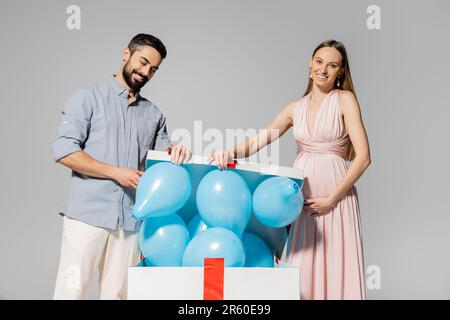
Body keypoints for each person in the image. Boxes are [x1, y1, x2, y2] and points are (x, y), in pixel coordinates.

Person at [208, 39, 371, 300]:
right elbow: (258, 141)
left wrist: (332, 198)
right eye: (319, 62)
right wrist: (230, 152)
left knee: (337, 260)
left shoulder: (345, 100)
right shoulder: (295, 108)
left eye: (332, 65)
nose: (323, 70)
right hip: (302, 197)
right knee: (302, 263)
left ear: (340, 72)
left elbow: (363, 157)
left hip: (337, 198)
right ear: (310, 65)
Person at [52, 33, 192, 299]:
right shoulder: (87, 97)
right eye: (142, 62)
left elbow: (163, 158)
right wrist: (117, 173)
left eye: (153, 69)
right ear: (125, 54)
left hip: (130, 221)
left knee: (118, 295)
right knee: (71, 292)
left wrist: (177, 152)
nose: (146, 72)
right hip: (87, 215)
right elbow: (64, 150)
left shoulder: (154, 115)